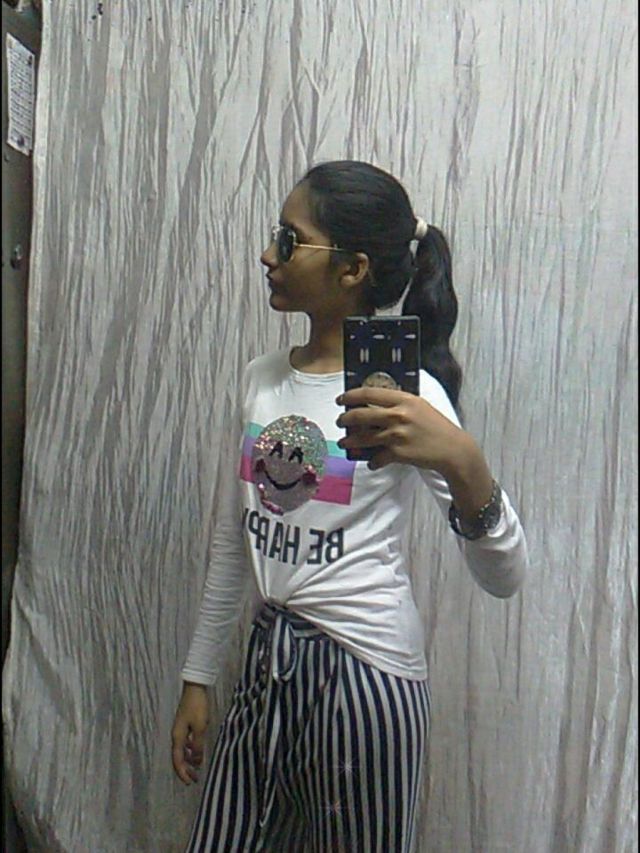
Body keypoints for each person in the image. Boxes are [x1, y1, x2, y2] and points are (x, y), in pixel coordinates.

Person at [171, 160, 527, 852]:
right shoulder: (261, 380)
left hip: (366, 680)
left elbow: (504, 576)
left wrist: (464, 462)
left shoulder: (407, 392)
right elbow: (234, 537)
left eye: (288, 239)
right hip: (267, 668)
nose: (268, 254)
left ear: (353, 268)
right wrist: (198, 676)